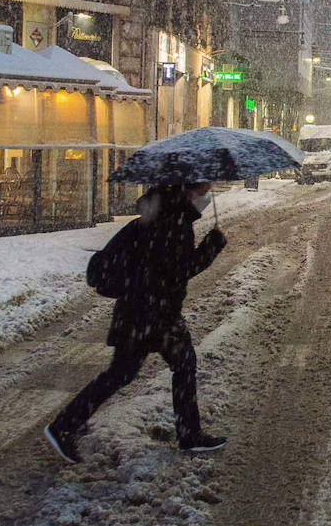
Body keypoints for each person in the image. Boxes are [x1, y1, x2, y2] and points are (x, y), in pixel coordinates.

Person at [44, 182, 228, 463]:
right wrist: (210, 248)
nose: (207, 193)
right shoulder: (173, 219)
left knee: (129, 372)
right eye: (204, 188)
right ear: (189, 189)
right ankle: (188, 434)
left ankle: (65, 426)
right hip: (153, 312)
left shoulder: (160, 213)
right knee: (175, 366)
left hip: (141, 309)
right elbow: (177, 270)